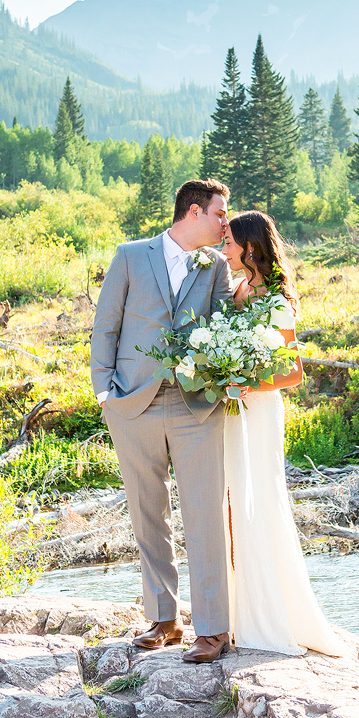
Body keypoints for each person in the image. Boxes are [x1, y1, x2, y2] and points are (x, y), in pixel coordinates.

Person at [90, 179, 233, 664]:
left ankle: (212, 630)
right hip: (134, 404)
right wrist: (105, 391)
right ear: (193, 212)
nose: (224, 222)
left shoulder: (214, 266)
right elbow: (106, 323)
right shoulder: (131, 256)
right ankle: (163, 620)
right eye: (219, 213)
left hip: (197, 406)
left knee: (204, 514)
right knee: (147, 511)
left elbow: (222, 326)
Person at [221, 211, 347, 657]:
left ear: (250, 248)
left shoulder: (274, 301)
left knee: (261, 505)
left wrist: (243, 384)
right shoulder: (236, 289)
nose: (224, 249)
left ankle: (270, 619)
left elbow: (292, 373)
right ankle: (235, 615)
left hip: (258, 410)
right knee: (232, 507)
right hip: (231, 410)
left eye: (230, 242)